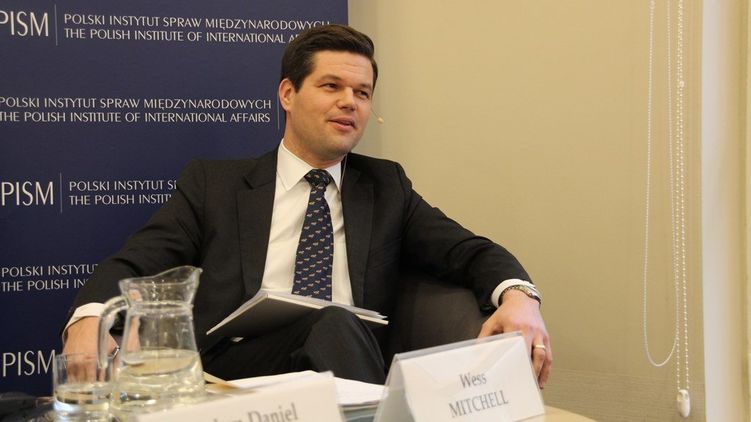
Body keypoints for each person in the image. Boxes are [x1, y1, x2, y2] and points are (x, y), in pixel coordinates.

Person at [62, 24, 552, 387]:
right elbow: (138, 259)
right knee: (332, 318)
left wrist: (520, 297)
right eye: (332, 86)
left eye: (362, 93)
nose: (350, 102)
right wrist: (89, 318)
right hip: (237, 372)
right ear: (288, 94)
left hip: (346, 370)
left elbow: (468, 250)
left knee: (336, 322)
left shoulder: (386, 186)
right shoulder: (215, 184)